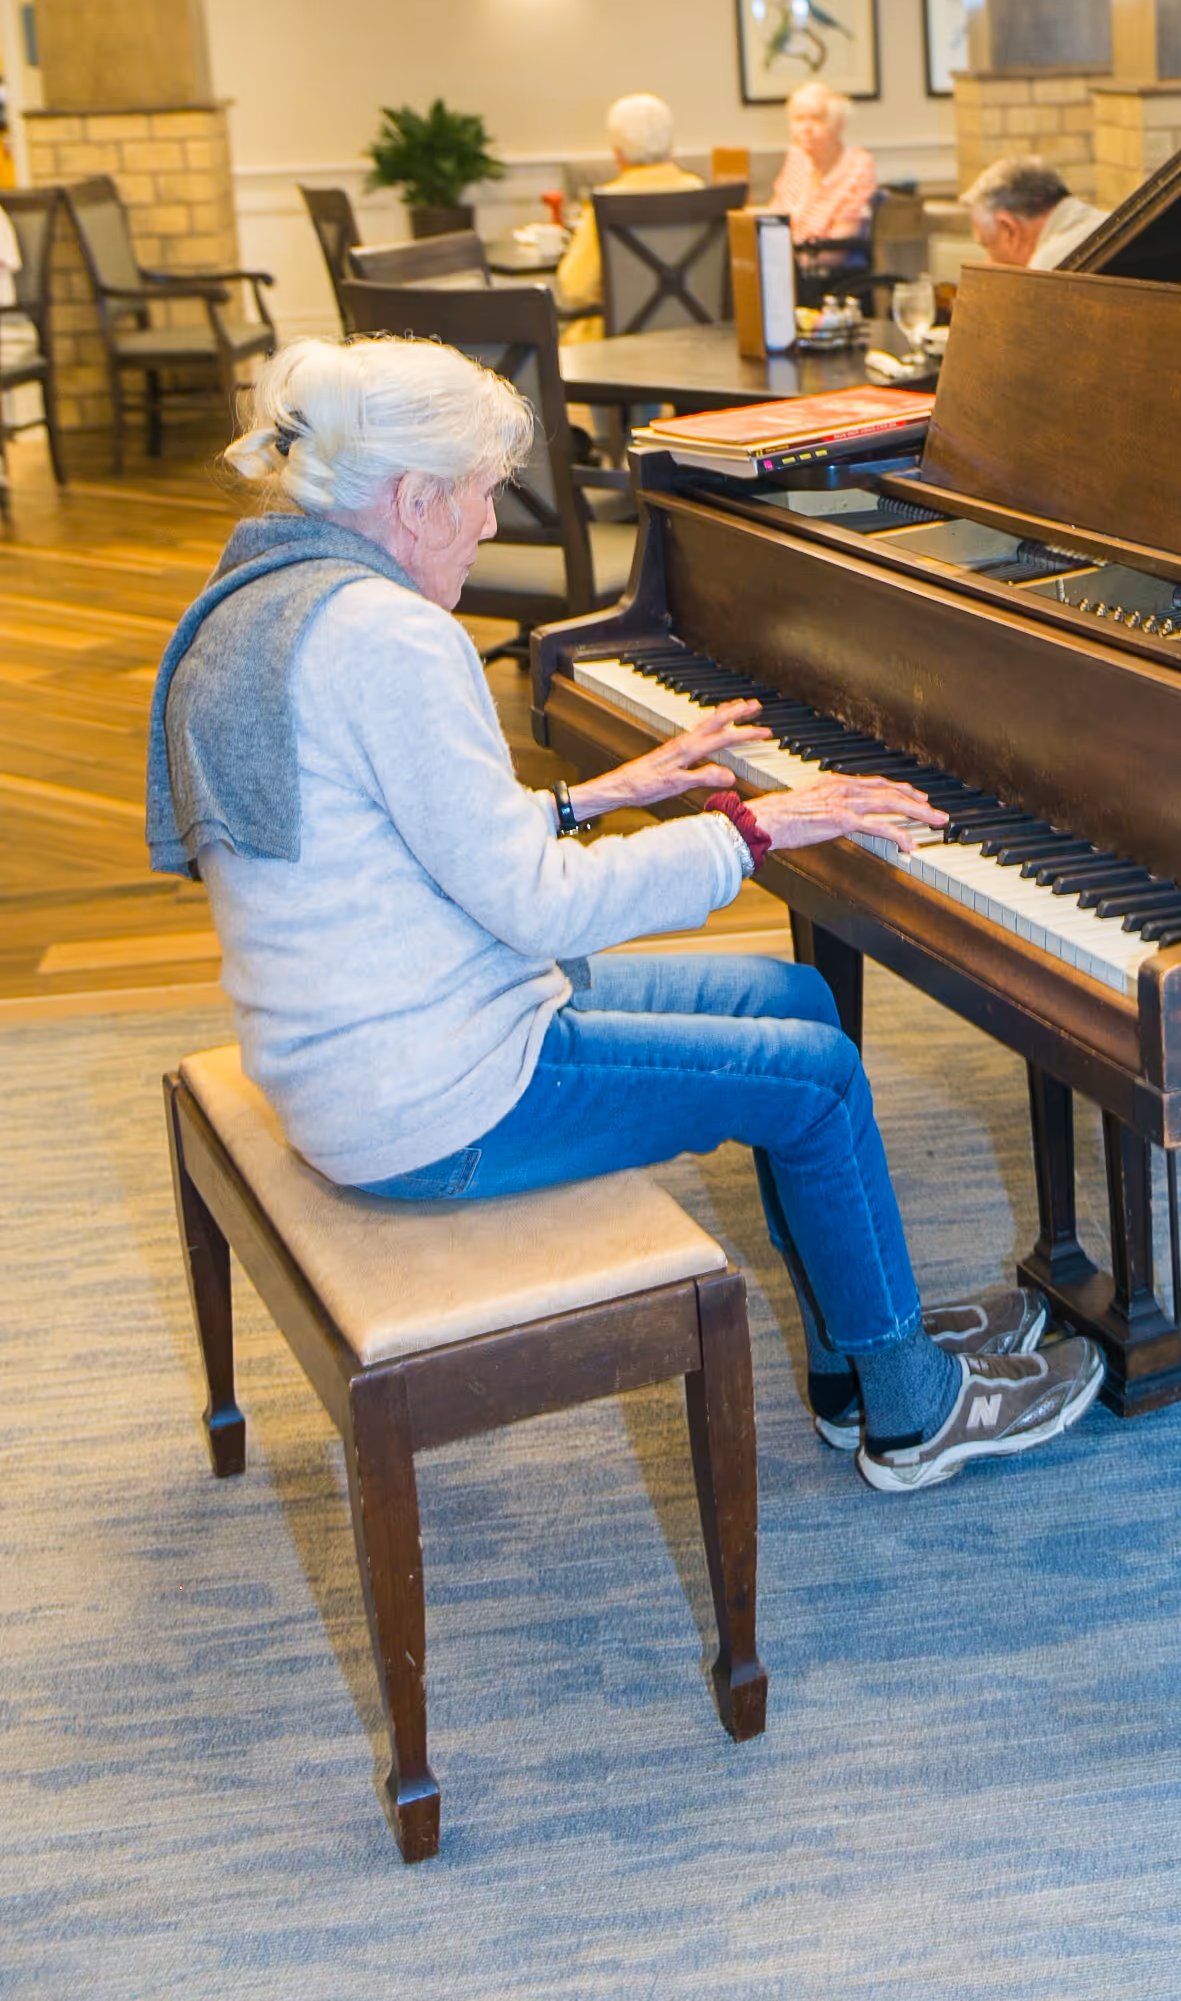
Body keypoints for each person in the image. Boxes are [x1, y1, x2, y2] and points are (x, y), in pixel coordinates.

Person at [147, 336, 1104, 1493]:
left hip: (367, 1037)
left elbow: (414, 837)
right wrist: (753, 831)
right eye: (482, 495)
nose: (491, 526)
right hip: (432, 1096)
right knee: (818, 1079)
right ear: (409, 497)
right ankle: (910, 1413)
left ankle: (857, 1359)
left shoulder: (262, 600)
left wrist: (602, 794)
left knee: (799, 998)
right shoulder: (389, 636)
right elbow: (543, 911)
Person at [555, 92, 704, 340]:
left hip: (617, 349)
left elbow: (575, 288)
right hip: (693, 339)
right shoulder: (700, 192)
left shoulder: (606, 203)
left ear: (618, 152)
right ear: (670, 145)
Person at [769, 84, 878, 246]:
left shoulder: (857, 167)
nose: (805, 128)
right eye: (798, 119)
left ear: (839, 124)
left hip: (822, 263)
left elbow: (839, 247)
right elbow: (774, 216)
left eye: (817, 118)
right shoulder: (798, 156)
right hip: (787, 257)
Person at [963, 156, 1107, 272]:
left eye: (988, 245)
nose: (988, 261)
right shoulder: (1107, 222)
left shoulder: (1047, 270)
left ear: (1009, 230)